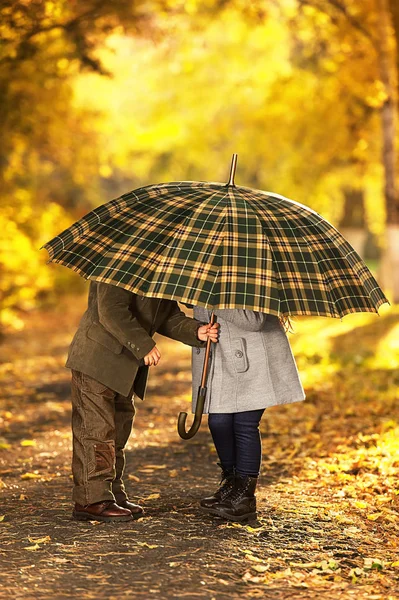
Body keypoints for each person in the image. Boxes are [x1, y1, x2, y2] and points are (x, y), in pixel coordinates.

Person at [66, 281, 219, 523]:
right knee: (96, 430)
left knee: (118, 429)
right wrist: (145, 345)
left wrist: (195, 331)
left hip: (126, 367)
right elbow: (111, 311)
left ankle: (111, 493)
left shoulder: (158, 272)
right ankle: (91, 499)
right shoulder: (118, 263)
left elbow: (168, 315)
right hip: (96, 359)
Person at [192, 308, 305, 522]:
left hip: (255, 360)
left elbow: (254, 321)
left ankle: (244, 497)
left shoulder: (251, 278)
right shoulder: (216, 278)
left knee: (244, 424)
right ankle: (232, 483)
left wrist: (216, 300)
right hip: (222, 362)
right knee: (218, 422)